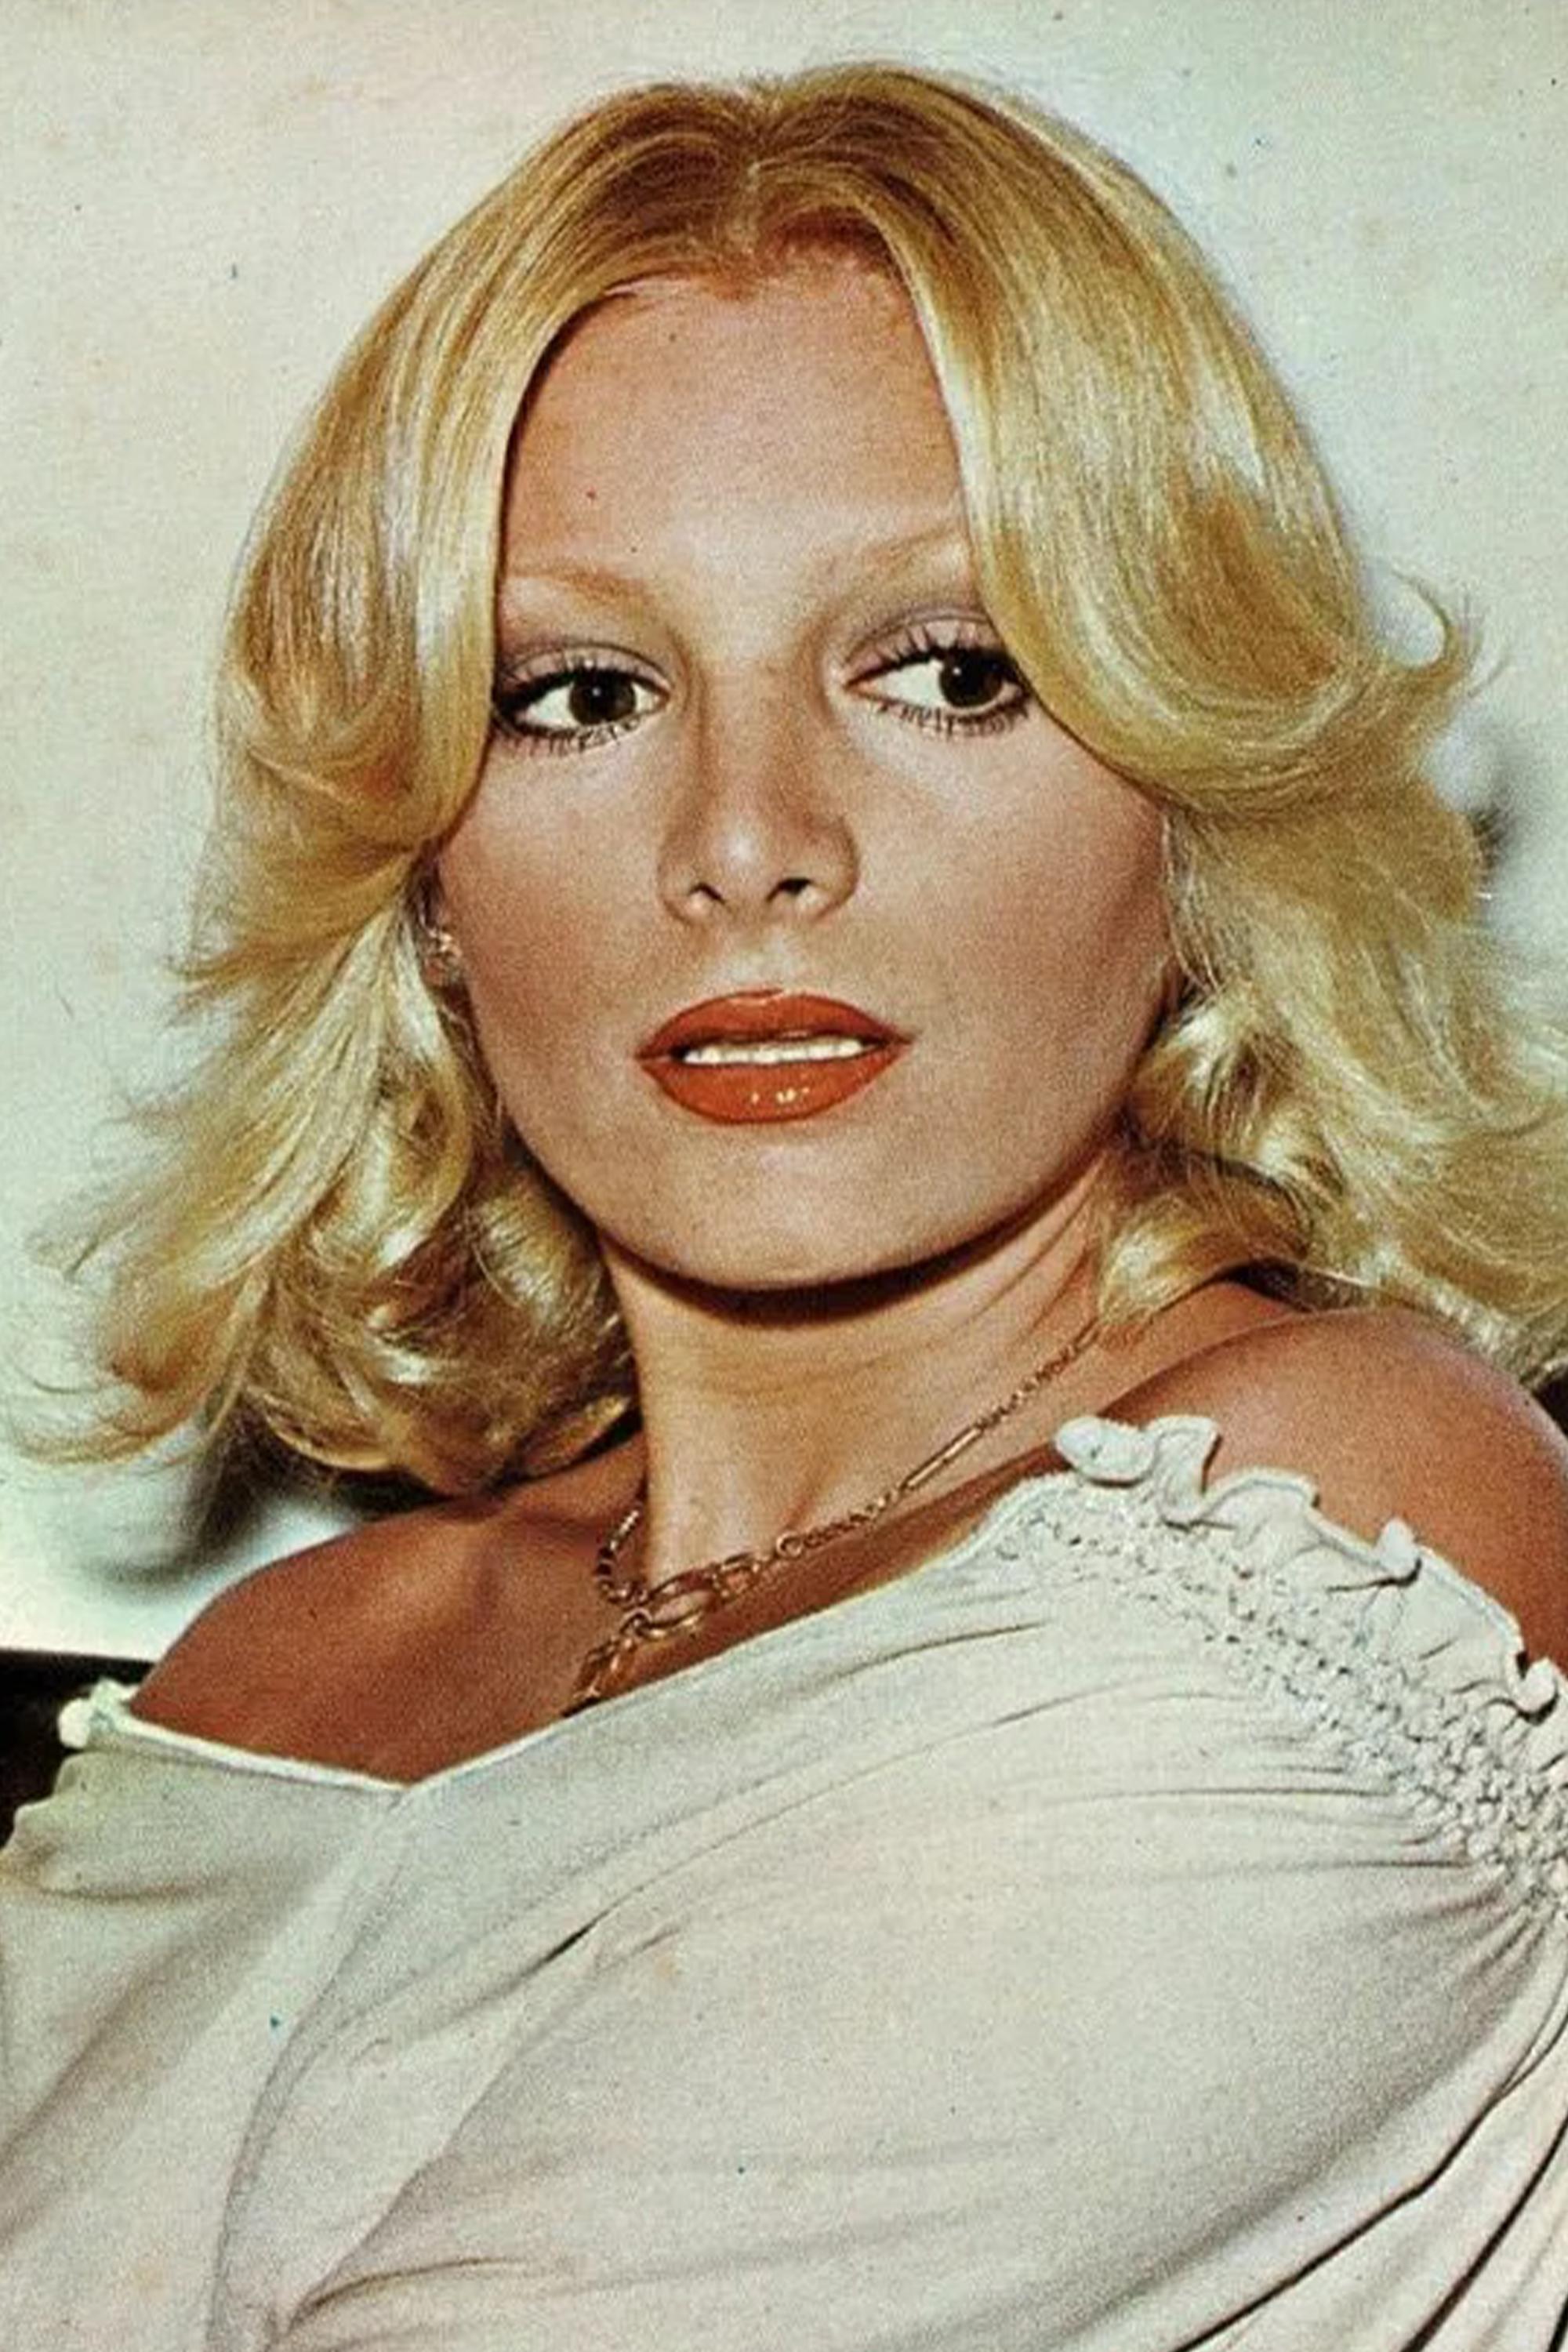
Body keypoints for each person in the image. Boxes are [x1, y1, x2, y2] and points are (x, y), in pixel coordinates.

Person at [4, 60, 1568, 2350]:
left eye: (949, 672)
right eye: (579, 694)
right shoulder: (281, 1668)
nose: (749, 843)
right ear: (425, 878)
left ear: (1196, 807)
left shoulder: (1319, 1536)